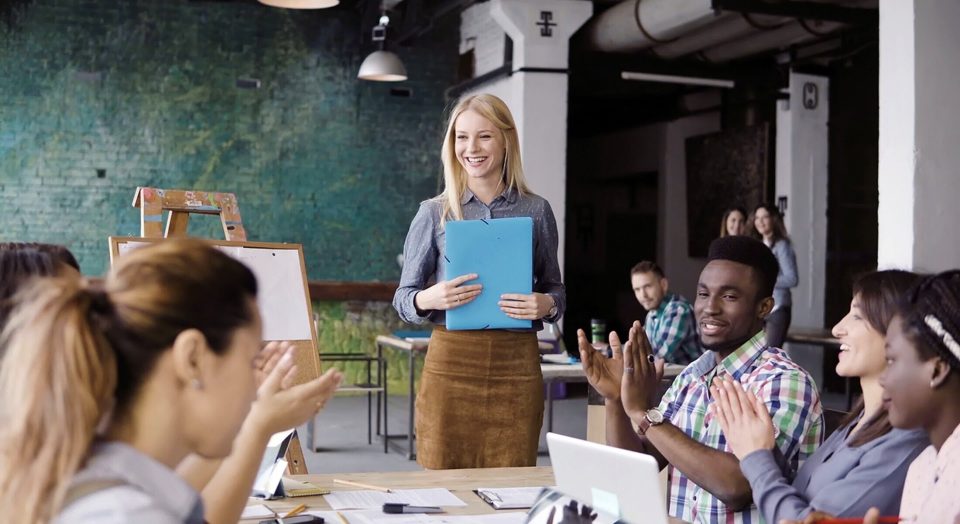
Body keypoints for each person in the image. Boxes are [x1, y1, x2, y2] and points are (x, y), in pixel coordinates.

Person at [0, 239, 342, 523]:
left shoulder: (87, 475)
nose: (255, 385)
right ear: (192, 358)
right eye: (251, 358)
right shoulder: (127, 514)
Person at [579, 235, 823, 523]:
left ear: (764, 307)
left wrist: (644, 413)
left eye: (729, 296)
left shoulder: (784, 382)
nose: (710, 308)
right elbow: (637, 467)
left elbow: (738, 487)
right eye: (704, 294)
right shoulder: (691, 377)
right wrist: (616, 400)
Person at [393, 93, 565, 469]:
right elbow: (403, 297)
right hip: (451, 364)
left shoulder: (537, 210)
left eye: (484, 136)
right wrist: (429, 298)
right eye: (462, 137)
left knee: (512, 481)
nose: (471, 148)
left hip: (516, 367)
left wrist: (547, 304)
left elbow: (556, 289)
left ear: (506, 141)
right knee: (442, 479)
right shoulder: (434, 212)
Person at [710, 270, 928, 523]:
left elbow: (810, 521)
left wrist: (755, 457)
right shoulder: (857, 424)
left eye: (857, 316)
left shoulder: (904, 441)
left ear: (899, 335)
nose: (837, 329)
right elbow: (804, 497)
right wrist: (766, 449)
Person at [782, 270, 960, 524]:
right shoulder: (924, 465)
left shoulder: (924, 452)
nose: (884, 379)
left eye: (893, 360)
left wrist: (758, 460)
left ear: (937, 370)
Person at [630, 261, 701, 365]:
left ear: (663, 285)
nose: (643, 295)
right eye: (637, 289)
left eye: (648, 286)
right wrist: (610, 350)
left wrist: (623, 353)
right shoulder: (651, 314)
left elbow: (656, 355)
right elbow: (641, 347)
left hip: (693, 374)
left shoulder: (677, 310)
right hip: (672, 373)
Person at [751, 204, 797, 348]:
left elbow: (792, 279)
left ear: (773, 219)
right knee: (753, 354)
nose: (760, 221)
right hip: (759, 309)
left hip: (778, 308)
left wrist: (764, 280)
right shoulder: (757, 245)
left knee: (770, 354)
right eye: (757, 218)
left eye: (765, 217)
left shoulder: (782, 245)